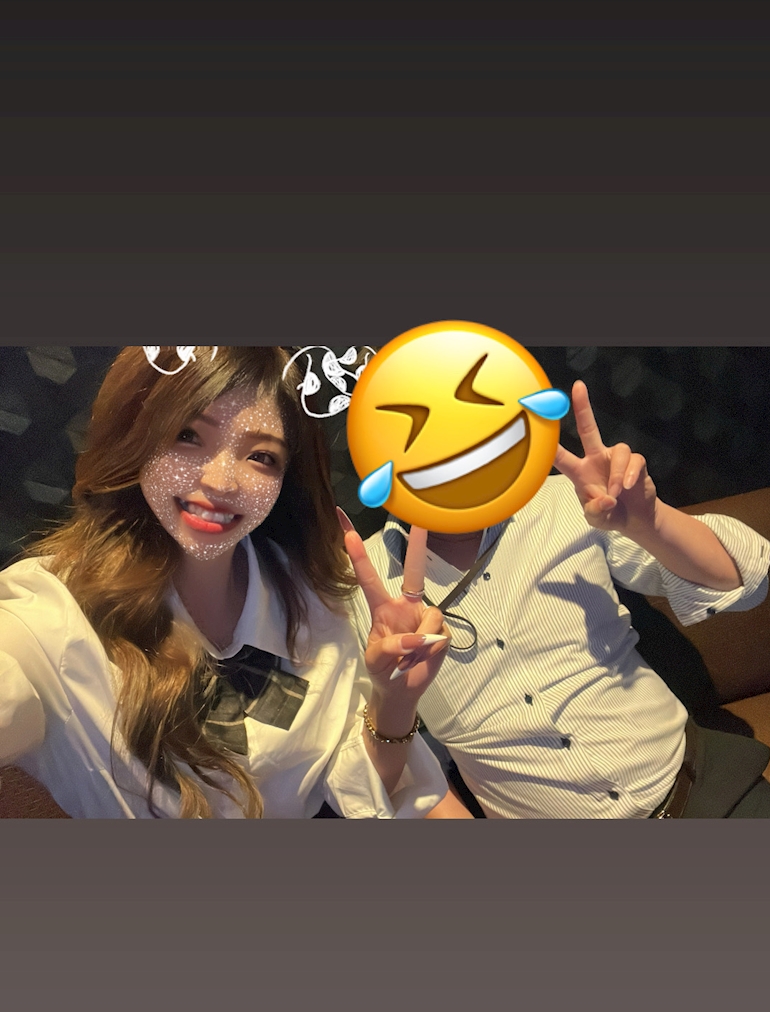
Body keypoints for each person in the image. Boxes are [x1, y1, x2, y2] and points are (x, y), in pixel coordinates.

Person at [0, 346, 454, 819]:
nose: (221, 482)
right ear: (138, 437)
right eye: (188, 435)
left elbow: (352, 792)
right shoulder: (51, 615)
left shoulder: (307, 596)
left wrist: (395, 700)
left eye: (261, 456)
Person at [349, 380, 770, 819]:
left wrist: (651, 522)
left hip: (701, 791)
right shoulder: (357, 591)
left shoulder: (567, 500)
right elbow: (378, 783)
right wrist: (393, 700)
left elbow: (745, 583)